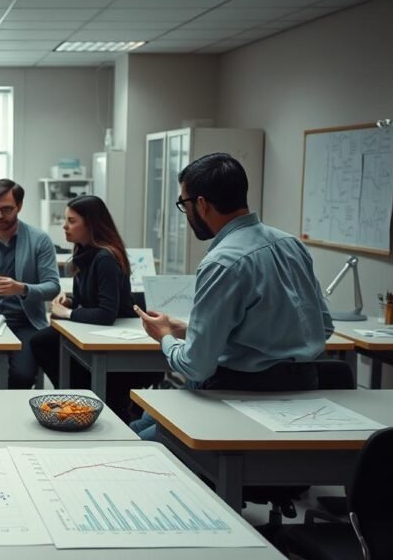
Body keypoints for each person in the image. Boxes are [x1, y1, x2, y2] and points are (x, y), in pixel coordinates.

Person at [130, 153, 334, 440]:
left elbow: (195, 366)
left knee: (138, 439)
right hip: (304, 388)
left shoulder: (222, 262)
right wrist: (185, 330)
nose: (186, 213)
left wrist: (163, 336)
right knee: (141, 425)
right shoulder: (291, 244)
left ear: (201, 204)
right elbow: (322, 326)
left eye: (183, 204)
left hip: (239, 395)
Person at [29, 196, 156, 418]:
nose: (64, 226)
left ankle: (85, 398)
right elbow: (88, 300)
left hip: (115, 338)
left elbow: (106, 313)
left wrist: (67, 313)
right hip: (95, 330)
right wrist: (69, 302)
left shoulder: (106, 257)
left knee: (46, 342)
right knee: (42, 341)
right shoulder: (85, 253)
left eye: (71, 221)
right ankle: (76, 395)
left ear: (90, 224)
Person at [0, 179, 61, 389]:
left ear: (19, 207)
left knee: (23, 376)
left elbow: (53, 286)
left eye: (6, 209)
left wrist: (22, 289)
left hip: (25, 322)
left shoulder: (39, 240)